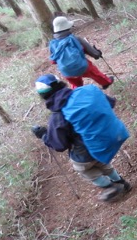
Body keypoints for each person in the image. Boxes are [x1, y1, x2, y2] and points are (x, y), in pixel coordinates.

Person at [31, 74, 131, 202]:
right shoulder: (88, 90)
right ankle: (122, 182)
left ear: (44, 97)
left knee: (84, 168)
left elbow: (59, 145)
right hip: (109, 138)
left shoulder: (57, 117)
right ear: (61, 84)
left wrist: (44, 135)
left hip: (86, 151)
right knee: (101, 162)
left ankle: (110, 186)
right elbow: (110, 103)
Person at [49, 16, 114, 89]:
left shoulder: (52, 44)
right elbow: (92, 52)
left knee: (76, 84)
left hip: (66, 71)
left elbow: (53, 61)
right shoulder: (75, 39)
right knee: (95, 73)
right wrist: (97, 54)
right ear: (67, 27)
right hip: (82, 66)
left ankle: (77, 93)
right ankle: (106, 82)